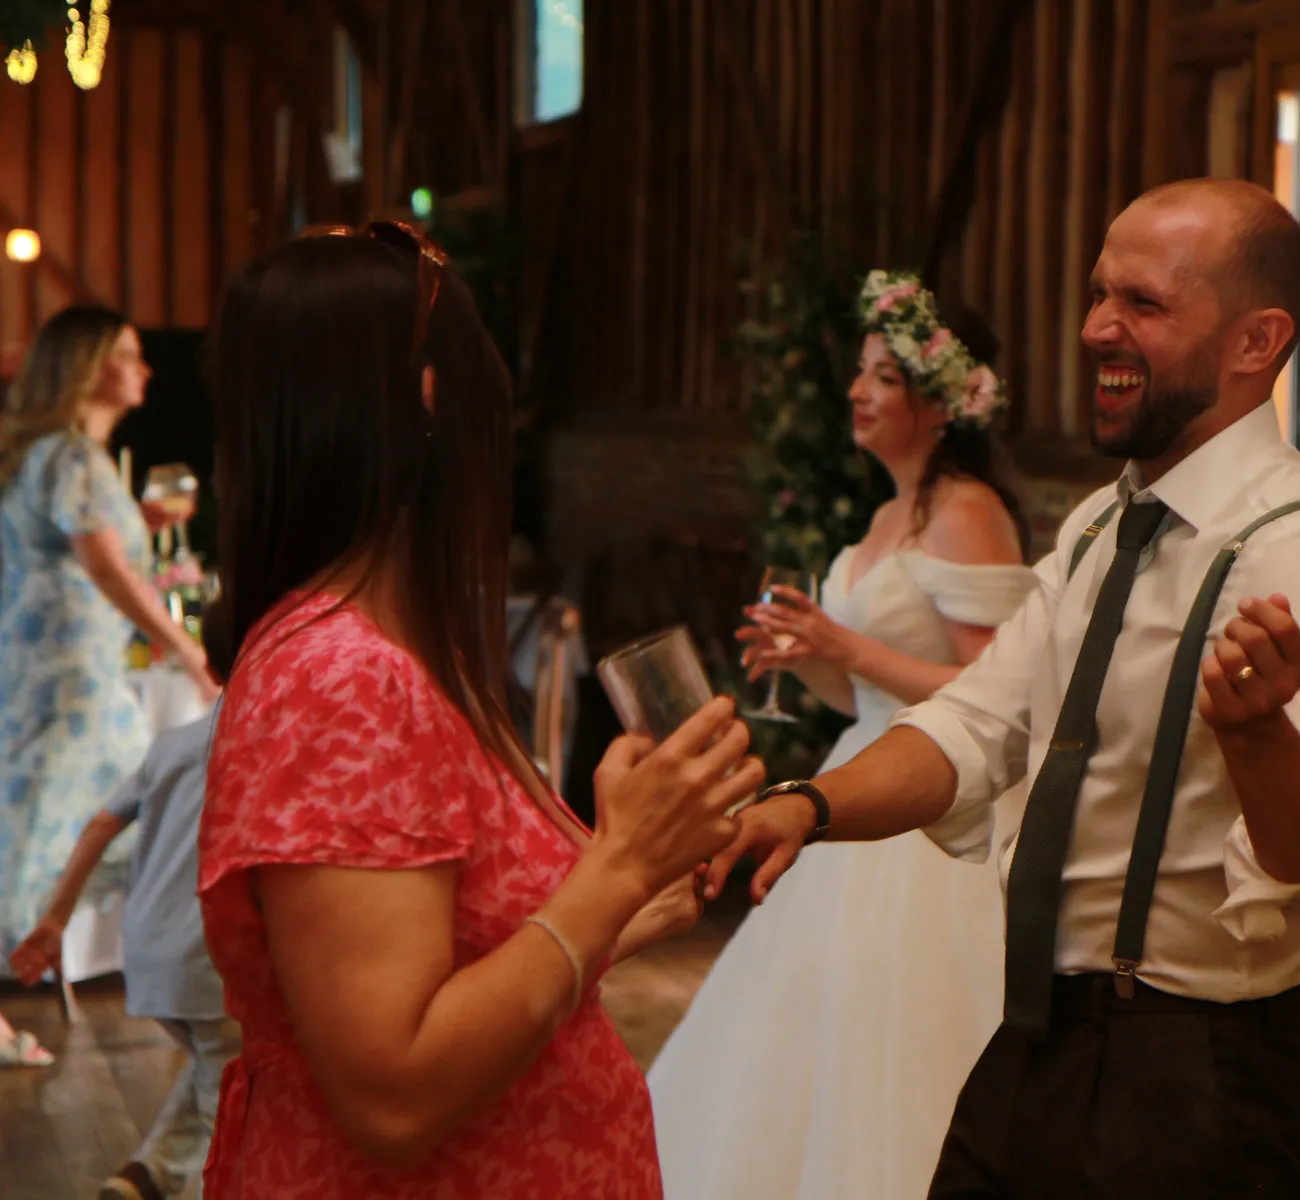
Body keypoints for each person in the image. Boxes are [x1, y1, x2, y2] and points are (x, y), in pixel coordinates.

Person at [713, 179, 1300, 1196]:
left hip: (1200, 1076)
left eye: (1144, 304)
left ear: (1255, 343)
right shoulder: (1096, 528)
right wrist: (807, 807)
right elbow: (975, 721)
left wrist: (1262, 744)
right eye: (1098, 295)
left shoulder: (1299, 558)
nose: (1096, 329)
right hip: (1039, 1039)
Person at [195, 223, 763, 1197]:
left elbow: (462, 966)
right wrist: (617, 863)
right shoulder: (342, 678)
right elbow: (395, 1094)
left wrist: (625, 895)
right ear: (430, 401)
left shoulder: (400, 656)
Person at [649, 275, 1036, 1200]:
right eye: (858, 374)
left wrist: (845, 643)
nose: (858, 392)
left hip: (933, 818)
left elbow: (998, 694)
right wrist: (806, 662)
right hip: (853, 779)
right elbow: (864, 690)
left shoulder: (968, 512)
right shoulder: (879, 519)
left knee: (897, 1037)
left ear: (940, 400)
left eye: (882, 377)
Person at [0, 305, 215, 1067]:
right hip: (71, 681)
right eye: (130, 353)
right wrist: (186, 649)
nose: (147, 368)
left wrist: (142, 521)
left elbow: (92, 551)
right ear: (91, 367)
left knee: (53, 823)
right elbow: (103, 568)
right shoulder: (74, 459)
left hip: (47, 672)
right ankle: (193, 984)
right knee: (129, 807)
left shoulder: (54, 456)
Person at [11, 602, 237, 1200]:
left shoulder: (174, 742)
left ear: (209, 668)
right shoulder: (265, 743)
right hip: (209, 959)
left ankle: (146, 1175)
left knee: (215, 1063)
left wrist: (55, 920)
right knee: (234, 1105)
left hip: (148, 952)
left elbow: (98, 827)